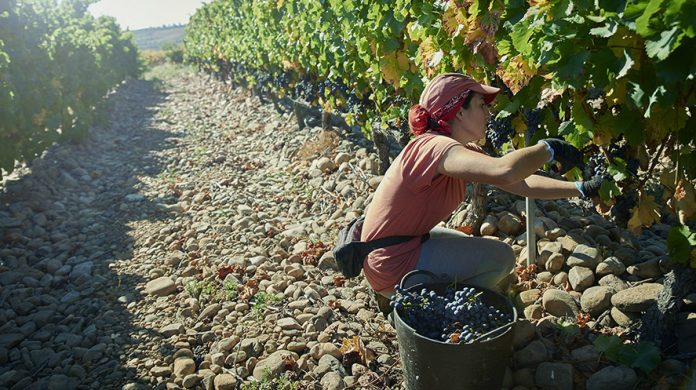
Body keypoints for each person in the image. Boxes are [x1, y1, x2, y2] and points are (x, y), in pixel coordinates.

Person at [360, 73, 603, 307]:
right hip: (390, 264)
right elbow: (505, 170)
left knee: (468, 245)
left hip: (395, 249)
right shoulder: (433, 146)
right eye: (480, 105)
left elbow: (522, 184)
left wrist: (582, 188)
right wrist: (548, 148)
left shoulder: (458, 150)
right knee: (501, 258)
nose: (489, 113)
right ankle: (437, 313)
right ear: (459, 111)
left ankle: (426, 299)